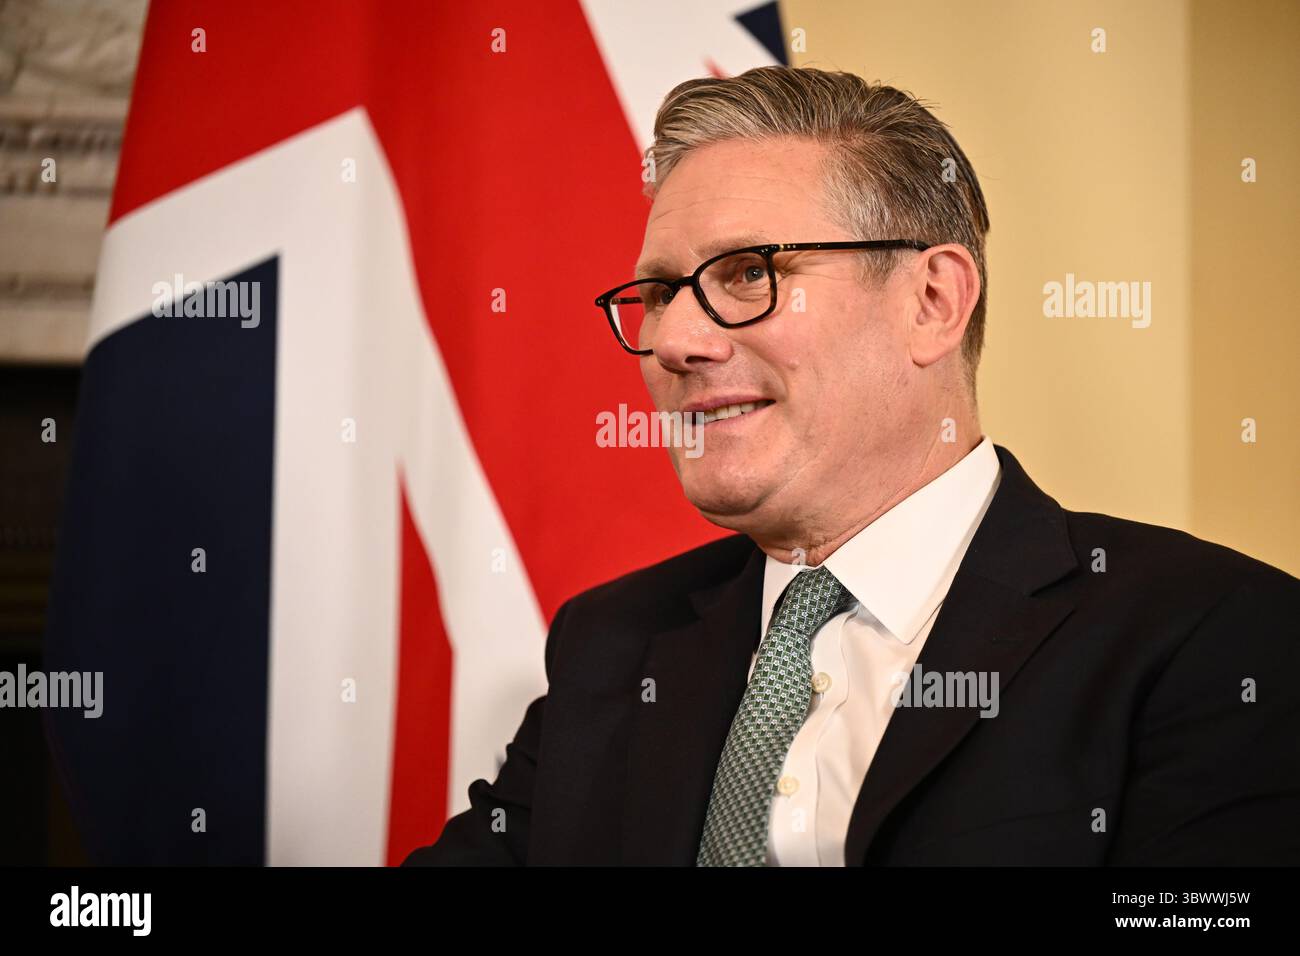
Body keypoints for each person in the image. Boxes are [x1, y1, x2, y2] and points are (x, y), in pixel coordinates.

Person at [404, 65, 1300, 866]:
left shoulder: (1213, 635)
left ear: (933, 301)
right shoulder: (613, 642)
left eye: (748, 273)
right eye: (658, 293)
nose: (673, 339)